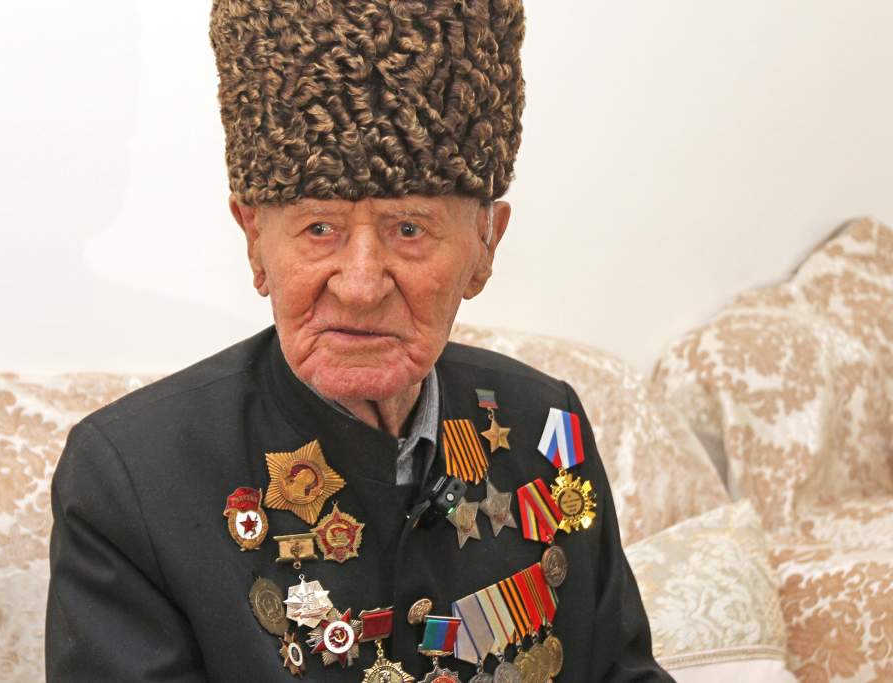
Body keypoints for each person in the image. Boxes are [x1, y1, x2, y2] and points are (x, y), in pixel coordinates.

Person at [45, 1, 672, 681]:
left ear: (486, 244)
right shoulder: (132, 476)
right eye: (320, 229)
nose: (361, 285)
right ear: (254, 240)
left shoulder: (545, 423)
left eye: (409, 229)